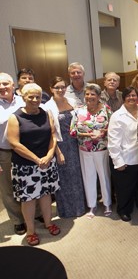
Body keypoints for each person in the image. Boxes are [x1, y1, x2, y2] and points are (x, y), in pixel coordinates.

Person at [7, 83, 60, 246]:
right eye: (31, 96)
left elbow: (53, 134)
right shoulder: (15, 117)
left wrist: (50, 155)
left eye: (38, 96)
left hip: (46, 162)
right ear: (23, 97)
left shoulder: (46, 113)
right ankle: (31, 231)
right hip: (25, 166)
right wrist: (37, 160)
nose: (35, 99)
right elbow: (14, 143)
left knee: (46, 195)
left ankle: (48, 223)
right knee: (28, 199)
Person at [43, 76, 86, 218]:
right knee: (65, 178)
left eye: (63, 87)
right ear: (51, 89)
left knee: (78, 176)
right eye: (57, 87)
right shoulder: (48, 106)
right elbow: (51, 132)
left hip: (76, 143)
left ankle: (80, 207)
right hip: (61, 145)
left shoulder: (72, 101)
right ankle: (67, 210)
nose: (60, 90)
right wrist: (58, 152)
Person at [70, 83, 113, 219]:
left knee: (104, 176)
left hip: (102, 148)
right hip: (85, 149)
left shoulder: (106, 109)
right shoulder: (79, 110)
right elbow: (72, 131)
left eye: (93, 94)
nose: (89, 97)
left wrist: (102, 133)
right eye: (87, 94)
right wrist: (88, 135)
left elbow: (113, 128)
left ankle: (107, 203)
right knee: (88, 177)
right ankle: (92, 205)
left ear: (99, 96)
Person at [108, 86, 138, 222]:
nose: (131, 98)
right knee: (125, 187)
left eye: (134, 95)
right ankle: (124, 210)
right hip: (125, 158)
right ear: (123, 98)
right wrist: (118, 161)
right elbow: (113, 141)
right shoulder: (117, 116)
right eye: (128, 96)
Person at [0, 72, 26, 235]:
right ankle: (17, 220)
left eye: (5, 84)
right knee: (8, 188)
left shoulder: (23, 101)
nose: (2, 87)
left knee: (28, 182)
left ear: (13, 85)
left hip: (25, 151)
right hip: (5, 152)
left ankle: (36, 213)